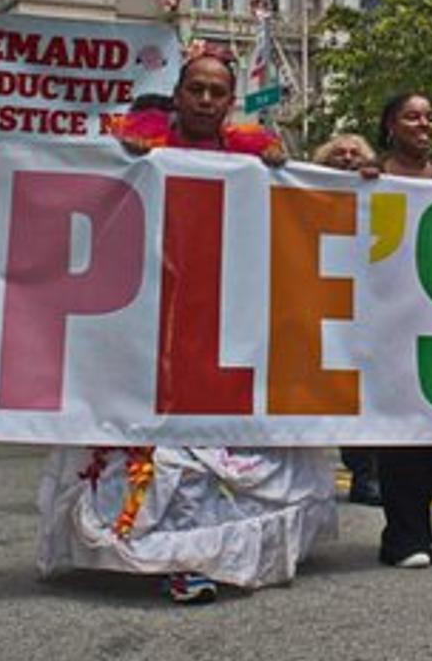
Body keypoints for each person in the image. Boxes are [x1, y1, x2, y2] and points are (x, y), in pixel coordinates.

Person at [37, 47, 335, 603]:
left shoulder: (253, 157)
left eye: (216, 92)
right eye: (195, 89)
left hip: (226, 318)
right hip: (152, 318)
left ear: (230, 101)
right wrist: (124, 158)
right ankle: (158, 549)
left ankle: (207, 555)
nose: (204, 100)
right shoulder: (143, 147)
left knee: (220, 447)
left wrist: (279, 167)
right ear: (177, 94)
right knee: (160, 448)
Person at [359, 92, 432, 567]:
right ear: (390, 126)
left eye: (429, 116)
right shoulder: (370, 178)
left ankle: (419, 523)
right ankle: (403, 534)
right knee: (401, 435)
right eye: (411, 116)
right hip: (391, 321)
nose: (423, 123)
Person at [311, 134, 384, 506]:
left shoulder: (378, 190)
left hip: (365, 307)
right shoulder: (306, 192)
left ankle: (366, 473)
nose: (349, 159)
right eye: (340, 154)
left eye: (356, 153)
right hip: (320, 304)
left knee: (364, 395)